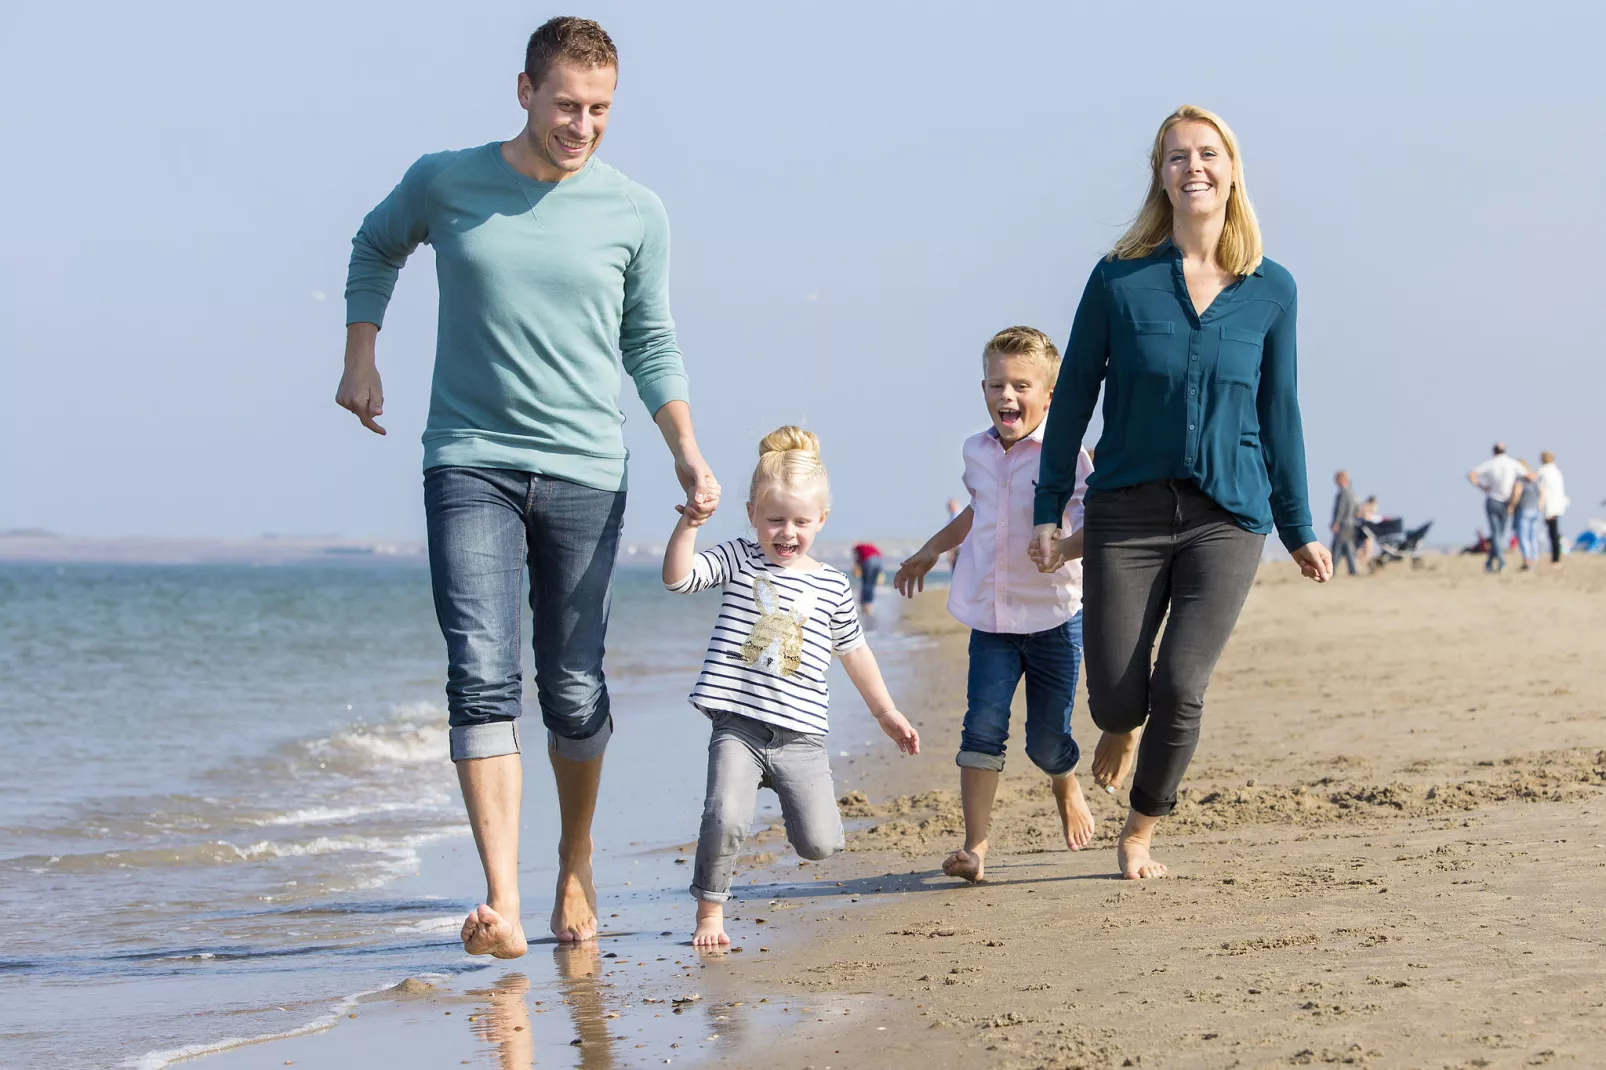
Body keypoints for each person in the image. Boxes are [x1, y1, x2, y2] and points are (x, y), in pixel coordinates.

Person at [335, 18, 721, 956]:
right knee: (480, 672)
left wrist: (684, 447)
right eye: (566, 105)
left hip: (587, 468)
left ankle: (575, 858)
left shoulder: (636, 211)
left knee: (574, 687)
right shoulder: (447, 180)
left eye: (600, 110)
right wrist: (361, 354)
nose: (581, 126)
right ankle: (502, 902)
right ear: (525, 91)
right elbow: (375, 246)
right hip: (468, 458)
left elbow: (649, 338)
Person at [1032, 105, 1331, 881]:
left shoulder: (1272, 289)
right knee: (1115, 697)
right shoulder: (1118, 278)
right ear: (1160, 176)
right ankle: (1124, 725)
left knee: (1183, 685)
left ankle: (1140, 831)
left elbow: (1280, 410)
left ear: (1231, 171)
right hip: (1126, 510)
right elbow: (1073, 397)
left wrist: (1298, 526)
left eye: (1207, 154)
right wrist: (1048, 507)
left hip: (1227, 516)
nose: (1193, 167)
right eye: (1177, 156)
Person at [663, 427, 919, 947]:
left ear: (821, 519)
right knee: (725, 816)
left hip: (801, 738)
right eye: (774, 519)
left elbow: (855, 652)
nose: (787, 533)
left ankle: (784, 789)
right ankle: (710, 913)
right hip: (738, 725)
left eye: (801, 522)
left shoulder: (832, 585)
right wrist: (689, 524)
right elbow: (678, 578)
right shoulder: (739, 557)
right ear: (752, 514)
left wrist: (886, 712)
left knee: (820, 845)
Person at [894, 327, 1098, 883]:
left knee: (1046, 742)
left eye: (1021, 386)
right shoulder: (975, 451)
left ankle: (1064, 781)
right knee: (982, 725)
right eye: (995, 384)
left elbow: (1092, 521)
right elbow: (978, 511)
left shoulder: (1067, 456)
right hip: (991, 617)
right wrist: (931, 549)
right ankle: (975, 849)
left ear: (1049, 395)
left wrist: (1064, 547)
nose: (1006, 395)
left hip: (1055, 616)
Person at [1466, 443, 1524, 573]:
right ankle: (1501, 562)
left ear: (1494, 451)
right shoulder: (1512, 463)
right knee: (1499, 534)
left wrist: (1482, 487)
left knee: (1496, 534)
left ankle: (1489, 562)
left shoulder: (1491, 464)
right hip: (1506, 502)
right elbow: (1528, 475)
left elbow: (1471, 474)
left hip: (1493, 500)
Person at [1536, 451, 1570, 568]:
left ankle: (1555, 558)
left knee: (1553, 533)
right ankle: (1555, 557)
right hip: (1557, 505)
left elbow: (1541, 489)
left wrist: (1541, 503)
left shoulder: (1543, 471)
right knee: (1553, 532)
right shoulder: (1557, 471)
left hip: (1550, 506)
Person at [1509, 462, 1543, 571]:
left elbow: (1517, 494)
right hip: (1535, 510)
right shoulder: (1535, 479)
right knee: (1533, 535)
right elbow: (1542, 493)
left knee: (1523, 536)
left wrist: (1511, 506)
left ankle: (1527, 559)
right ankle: (1534, 558)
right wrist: (1540, 505)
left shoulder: (1520, 480)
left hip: (1523, 509)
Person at [1330, 470, 1359, 577]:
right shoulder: (1352, 493)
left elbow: (1340, 509)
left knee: (1337, 548)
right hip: (1351, 524)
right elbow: (1357, 509)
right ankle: (1353, 570)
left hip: (1343, 525)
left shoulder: (1343, 493)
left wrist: (1336, 523)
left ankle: (1331, 570)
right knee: (1349, 548)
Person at [851, 542, 884, 615]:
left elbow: (857, 560)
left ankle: (866, 605)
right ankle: (869, 605)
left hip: (870, 561)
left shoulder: (857, 548)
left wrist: (856, 568)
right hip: (880, 561)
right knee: (871, 584)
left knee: (866, 583)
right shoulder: (868, 547)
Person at [944, 497, 965, 568]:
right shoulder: (958, 514)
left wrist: (951, 552)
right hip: (960, 549)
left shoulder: (956, 516)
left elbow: (955, 536)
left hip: (958, 549)